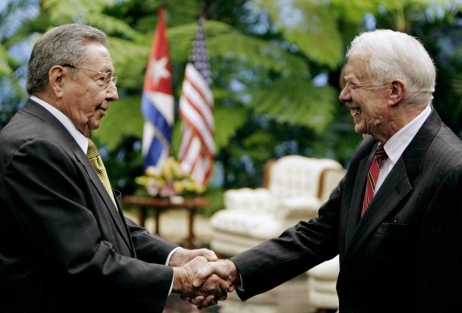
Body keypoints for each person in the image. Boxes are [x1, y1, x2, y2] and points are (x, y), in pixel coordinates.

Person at [193, 29, 462, 312]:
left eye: (352, 84)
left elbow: (444, 296)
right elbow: (321, 232)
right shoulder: (370, 149)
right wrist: (235, 269)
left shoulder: (451, 172)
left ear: (393, 91)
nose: (343, 96)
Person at [0, 24, 227, 313]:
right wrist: (180, 280)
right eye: (103, 79)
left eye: (112, 80)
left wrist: (176, 256)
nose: (113, 93)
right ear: (58, 79)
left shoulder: (58, 139)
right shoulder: (35, 148)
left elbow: (107, 222)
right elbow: (86, 262)